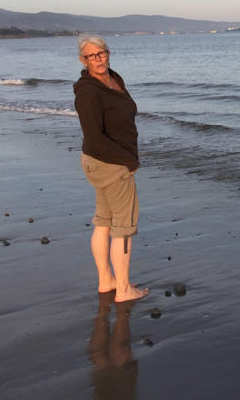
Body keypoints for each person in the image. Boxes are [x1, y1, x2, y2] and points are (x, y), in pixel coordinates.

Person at [74, 34, 148, 302]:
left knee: (104, 221)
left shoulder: (113, 79)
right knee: (124, 228)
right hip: (109, 164)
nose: (99, 59)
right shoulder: (88, 91)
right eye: (92, 56)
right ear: (84, 60)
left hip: (102, 162)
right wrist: (128, 161)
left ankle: (107, 281)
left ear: (108, 53)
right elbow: (94, 137)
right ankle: (125, 290)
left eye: (102, 53)